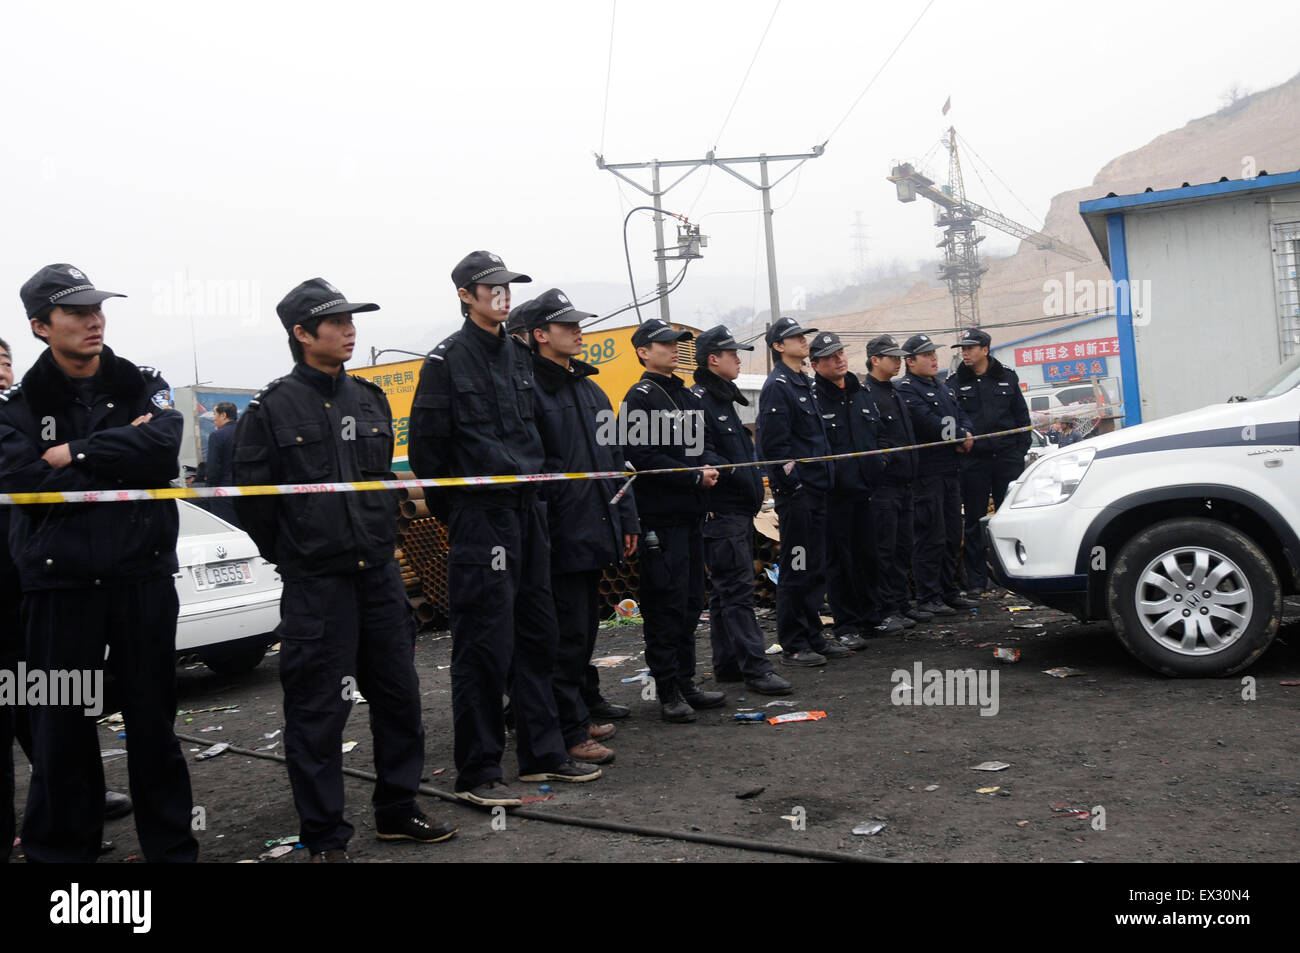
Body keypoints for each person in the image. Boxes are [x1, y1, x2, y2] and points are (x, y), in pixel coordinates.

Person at [233, 277, 453, 862]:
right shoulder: (272, 408)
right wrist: (298, 553)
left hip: (377, 575)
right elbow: (252, 503)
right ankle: (326, 836)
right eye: (335, 322)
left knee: (399, 696)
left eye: (352, 320)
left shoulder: (369, 399)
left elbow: (380, 480)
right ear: (302, 334)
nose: (350, 330)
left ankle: (398, 810)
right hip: (318, 583)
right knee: (318, 711)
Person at [0, 264, 197, 863]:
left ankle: (169, 849)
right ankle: (65, 855)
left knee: (153, 724)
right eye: (76, 312)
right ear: (40, 326)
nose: (94, 320)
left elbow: (164, 447)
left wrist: (75, 451)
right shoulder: (19, 401)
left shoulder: (141, 380)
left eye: (97, 308)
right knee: (62, 728)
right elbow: (24, 478)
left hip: (142, 577)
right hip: (61, 585)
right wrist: (118, 453)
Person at [409, 251, 600, 807]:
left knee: (539, 634)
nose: (503, 294)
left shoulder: (517, 356)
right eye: (491, 287)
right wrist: (463, 511)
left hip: (528, 511)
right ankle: (479, 770)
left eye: (507, 286)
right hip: (482, 516)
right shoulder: (446, 361)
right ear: (467, 295)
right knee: (484, 646)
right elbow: (428, 449)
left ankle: (543, 751)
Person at [518, 288, 639, 763]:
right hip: (555, 533)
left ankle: (573, 714)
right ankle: (565, 731)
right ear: (539, 335)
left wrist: (626, 516)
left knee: (583, 632)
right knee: (560, 637)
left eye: (577, 324)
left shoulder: (589, 389)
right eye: (566, 325)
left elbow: (615, 460)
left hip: (595, 525)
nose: (578, 331)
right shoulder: (528, 390)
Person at [619, 318, 725, 721]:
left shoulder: (685, 396)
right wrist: (693, 475)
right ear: (644, 351)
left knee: (691, 600)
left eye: (676, 343)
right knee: (665, 604)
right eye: (664, 344)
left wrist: (709, 466)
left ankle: (687, 681)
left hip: (692, 514)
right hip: (661, 519)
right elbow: (641, 459)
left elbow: (705, 444)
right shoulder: (641, 397)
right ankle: (667, 690)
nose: (673, 349)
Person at [689, 326, 792, 696]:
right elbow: (699, 453)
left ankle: (728, 663)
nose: (738, 358)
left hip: (736, 512)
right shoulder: (698, 400)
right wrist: (732, 473)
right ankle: (757, 669)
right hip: (721, 512)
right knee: (737, 591)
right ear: (713, 359)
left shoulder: (722, 400)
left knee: (723, 592)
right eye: (732, 353)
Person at [755, 317, 853, 666]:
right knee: (797, 568)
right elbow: (773, 445)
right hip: (799, 497)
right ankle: (795, 642)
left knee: (814, 568)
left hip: (818, 491)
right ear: (779, 346)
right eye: (794, 337)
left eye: (802, 336)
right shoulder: (778, 386)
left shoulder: (802, 382)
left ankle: (813, 634)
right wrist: (792, 489)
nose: (803, 341)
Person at [896, 334, 980, 616]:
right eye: (926, 355)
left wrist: (966, 432)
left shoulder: (942, 387)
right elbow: (928, 423)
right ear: (910, 361)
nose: (934, 359)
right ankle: (928, 596)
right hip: (927, 473)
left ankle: (948, 591)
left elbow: (961, 414)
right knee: (931, 535)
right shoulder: (907, 390)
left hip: (950, 471)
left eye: (934, 353)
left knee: (952, 534)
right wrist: (960, 436)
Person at [808, 331, 882, 649]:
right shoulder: (813, 399)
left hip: (865, 489)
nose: (839, 359)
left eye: (840, 353)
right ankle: (846, 624)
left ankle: (869, 616)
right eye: (830, 356)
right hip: (834, 494)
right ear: (815, 364)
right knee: (839, 562)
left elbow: (875, 435)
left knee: (867, 555)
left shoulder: (860, 392)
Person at [949, 328, 1031, 593]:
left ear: (985, 350)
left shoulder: (1007, 377)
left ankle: (1016, 576)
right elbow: (949, 424)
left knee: (1009, 520)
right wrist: (959, 447)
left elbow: (1022, 420)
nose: (965, 353)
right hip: (974, 463)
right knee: (974, 520)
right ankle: (977, 580)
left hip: (1007, 459)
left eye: (971, 348)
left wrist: (1018, 452)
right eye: (963, 349)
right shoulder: (953, 383)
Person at [860, 334, 920, 634]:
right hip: (883, 486)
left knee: (901, 548)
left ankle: (900, 603)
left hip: (905, 484)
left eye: (899, 357)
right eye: (892, 357)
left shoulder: (893, 391)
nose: (898, 362)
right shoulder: (867, 393)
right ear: (875, 360)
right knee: (884, 550)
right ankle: (885, 609)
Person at [204, 400, 241, 526]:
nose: (214, 419)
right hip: (248, 490)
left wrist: (209, 489)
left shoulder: (217, 436)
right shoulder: (247, 432)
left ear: (223, 415)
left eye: (215, 414)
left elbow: (213, 468)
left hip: (224, 492)